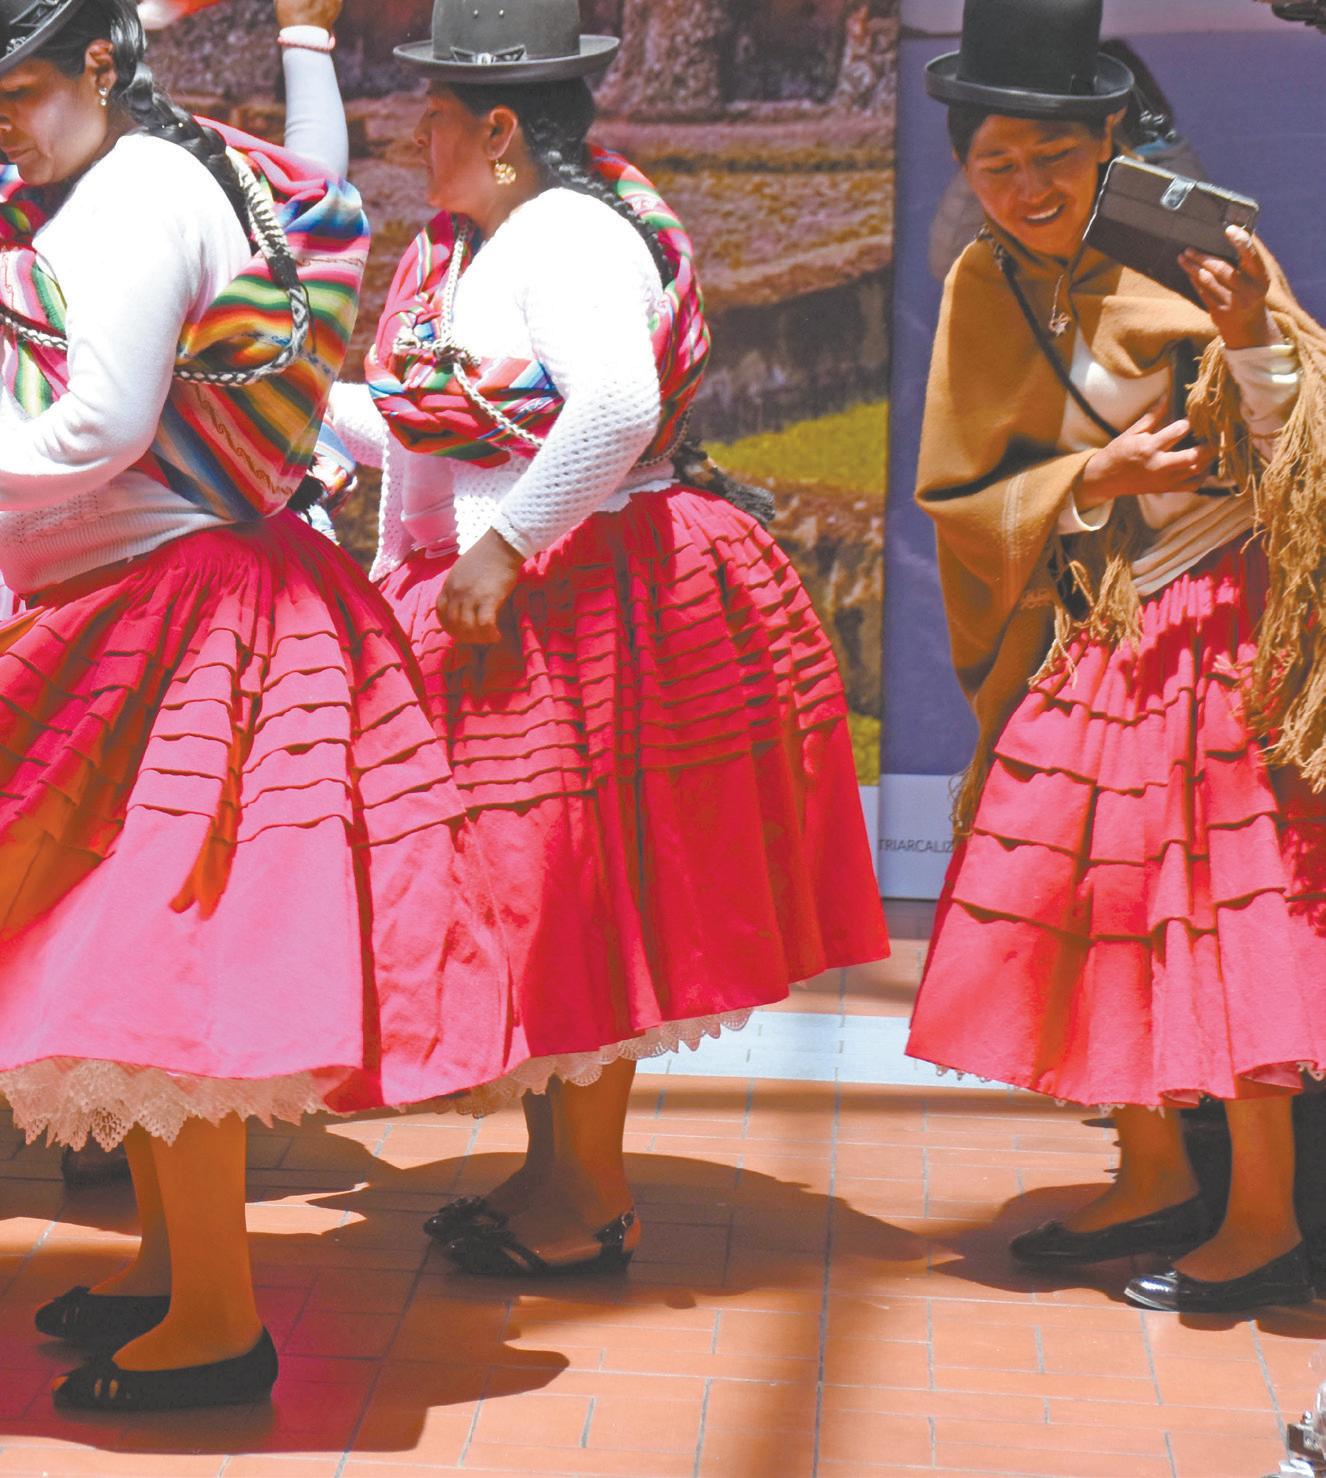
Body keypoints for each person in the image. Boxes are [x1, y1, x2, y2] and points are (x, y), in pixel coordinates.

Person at [0, 0, 513, 1409]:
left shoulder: (132, 194)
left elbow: (95, 424)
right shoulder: (143, 170)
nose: (5, 123)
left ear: (97, 64)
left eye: (19, 90)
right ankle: (174, 1272)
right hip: (164, 597)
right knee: (135, 958)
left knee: (166, 962)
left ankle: (219, 1316)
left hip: (177, 610)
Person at [325, 0, 889, 1275]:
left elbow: (618, 404)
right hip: (533, 597)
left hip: (589, 597)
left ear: (501, 129)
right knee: (540, 892)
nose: (416, 139)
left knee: (574, 888)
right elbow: (444, 423)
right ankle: (554, 1170)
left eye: (435, 117)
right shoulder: (480, 246)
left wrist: (506, 545)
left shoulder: (567, 236)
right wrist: (299, 407)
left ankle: (589, 1197)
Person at [906, 0, 1326, 1314]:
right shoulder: (984, 286)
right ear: (966, 170)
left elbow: (1300, 449)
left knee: (1221, 905)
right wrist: (1095, 476)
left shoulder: (1202, 258)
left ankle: (1263, 1215)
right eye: (996, 162)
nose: (1026, 185)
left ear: (1110, 147)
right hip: (1101, 619)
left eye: (1054, 155)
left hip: (1221, 622)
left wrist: (1248, 333)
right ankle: (1152, 1170)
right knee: (1094, 893)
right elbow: (966, 492)